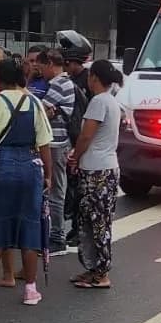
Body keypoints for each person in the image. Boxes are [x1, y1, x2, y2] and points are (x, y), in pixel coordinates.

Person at [0, 58, 55, 306]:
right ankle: (30, 290)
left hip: (1, 169)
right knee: (29, 229)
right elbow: (44, 144)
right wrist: (47, 175)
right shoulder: (35, 102)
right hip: (30, 168)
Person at [70, 59, 124, 289]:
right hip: (104, 166)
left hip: (96, 170)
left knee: (98, 222)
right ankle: (93, 269)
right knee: (92, 222)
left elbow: (85, 136)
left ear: (94, 78)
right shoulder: (111, 101)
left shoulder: (99, 102)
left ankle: (101, 273)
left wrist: (75, 156)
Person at [38, 50, 75, 253]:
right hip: (57, 142)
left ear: (51, 63)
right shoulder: (61, 83)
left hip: (56, 143)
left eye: (42, 67)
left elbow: (40, 111)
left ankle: (57, 236)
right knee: (54, 189)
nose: (41, 72)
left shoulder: (59, 84)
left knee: (55, 190)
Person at [60, 46, 92, 246]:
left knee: (79, 190)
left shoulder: (87, 81)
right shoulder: (71, 81)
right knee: (73, 188)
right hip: (74, 137)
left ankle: (79, 230)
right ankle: (74, 228)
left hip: (80, 139)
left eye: (67, 64)